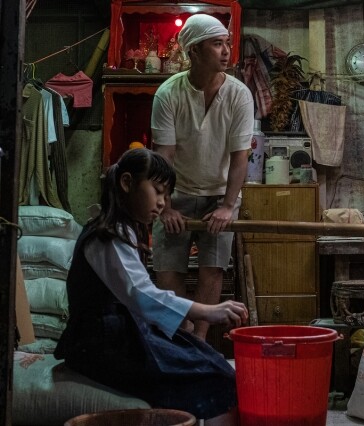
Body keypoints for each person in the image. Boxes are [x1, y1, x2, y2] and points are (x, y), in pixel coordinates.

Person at [54, 149, 248, 425]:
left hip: (118, 334)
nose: (161, 203)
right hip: (100, 345)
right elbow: (142, 295)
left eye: (166, 196)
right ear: (127, 182)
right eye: (157, 191)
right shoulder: (107, 236)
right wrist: (207, 311)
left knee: (212, 359)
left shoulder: (121, 229)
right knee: (218, 376)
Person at [150, 14, 254, 340]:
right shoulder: (168, 94)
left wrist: (227, 205)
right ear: (194, 51)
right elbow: (162, 156)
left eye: (227, 43)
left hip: (220, 194)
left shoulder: (239, 95)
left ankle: (200, 341)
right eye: (216, 44)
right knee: (168, 272)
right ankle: (182, 332)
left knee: (213, 269)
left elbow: (240, 158)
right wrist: (164, 206)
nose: (225, 51)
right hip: (176, 190)